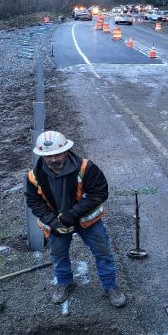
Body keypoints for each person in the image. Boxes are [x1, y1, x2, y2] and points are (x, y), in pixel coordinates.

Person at [26, 130, 127, 307]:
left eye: (57, 154)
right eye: (48, 156)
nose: (53, 159)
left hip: (87, 221)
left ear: (66, 151)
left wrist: (70, 216)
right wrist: (53, 222)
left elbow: (99, 193)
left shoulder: (86, 168)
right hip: (56, 224)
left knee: (103, 253)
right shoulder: (34, 176)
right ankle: (65, 283)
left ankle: (110, 286)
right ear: (42, 155)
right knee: (58, 255)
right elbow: (34, 202)